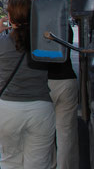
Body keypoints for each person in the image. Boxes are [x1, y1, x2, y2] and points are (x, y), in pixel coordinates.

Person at [0, 0, 55, 168]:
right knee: (39, 163)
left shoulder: (0, 42)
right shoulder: (44, 41)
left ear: (10, 17)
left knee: (10, 162)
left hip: (9, 111)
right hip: (40, 109)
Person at [48, 26, 78, 169]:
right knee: (66, 133)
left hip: (44, 81)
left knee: (46, 132)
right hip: (66, 78)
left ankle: (50, 165)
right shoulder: (65, 25)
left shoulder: (36, 25)